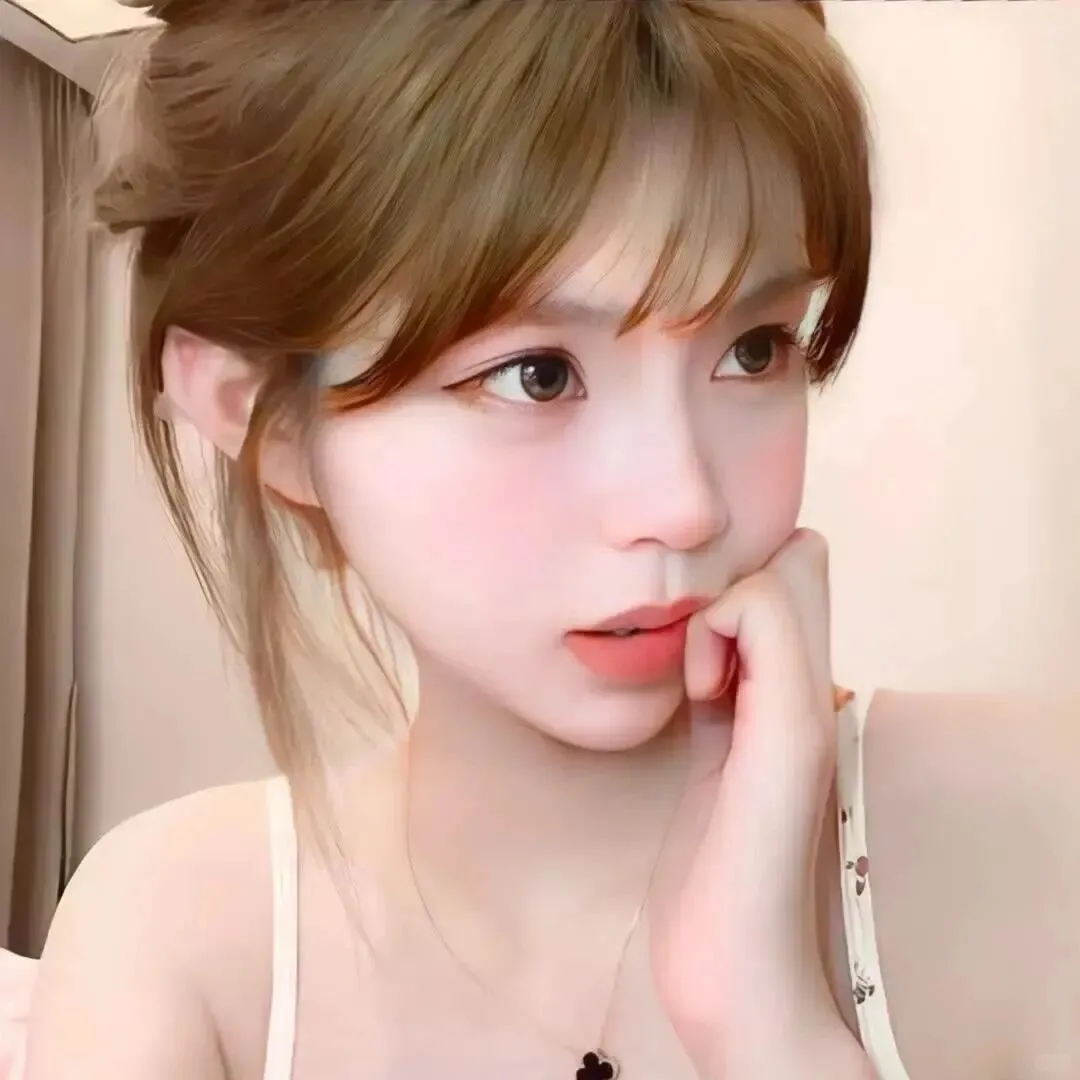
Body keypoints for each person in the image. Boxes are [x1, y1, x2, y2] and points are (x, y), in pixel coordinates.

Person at [19, 1, 1080, 1078]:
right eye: (536, 375)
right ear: (265, 420)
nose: (685, 504)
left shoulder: (1038, 827)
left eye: (754, 349)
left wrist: (769, 1030)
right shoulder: (179, 942)